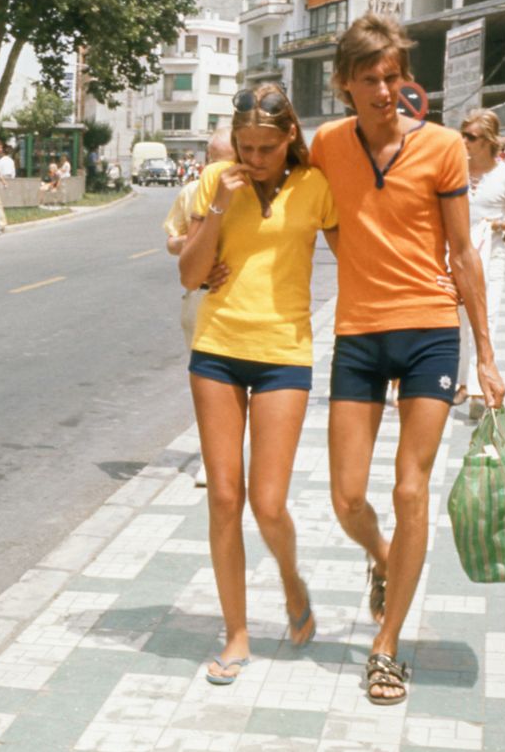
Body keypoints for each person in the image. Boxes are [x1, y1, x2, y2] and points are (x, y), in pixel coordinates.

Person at [310, 14, 505, 706]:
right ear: (344, 84)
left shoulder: (444, 147)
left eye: (393, 76)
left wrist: (486, 355)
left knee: (409, 490)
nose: (385, 91)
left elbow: (463, 253)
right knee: (346, 496)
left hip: (429, 330)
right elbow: (295, 202)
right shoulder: (327, 145)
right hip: (359, 334)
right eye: (370, 79)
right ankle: (387, 560)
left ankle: (386, 646)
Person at [179, 83, 336, 686]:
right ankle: (236, 633)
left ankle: (292, 581)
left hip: (283, 354)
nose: (254, 158)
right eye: (245, 147)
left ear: (290, 136)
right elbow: (190, 276)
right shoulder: (215, 181)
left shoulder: (316, 186)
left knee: (268, 504)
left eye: (266, 148)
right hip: (217, 349)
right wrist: (219, 205)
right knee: (224, 498)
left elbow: (354, 258)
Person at [454, 109, 505, 408]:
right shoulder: (455, 170)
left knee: (486, 320)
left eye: (470, 137)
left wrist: (496, 225)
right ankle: (461, 383)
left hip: (490, 259)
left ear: (487, 140)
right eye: (462, 135)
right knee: (458, 321)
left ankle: (477, 389)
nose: (464, 141)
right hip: (455, 257)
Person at [163, 127, 236, 350]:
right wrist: (194, 243)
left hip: (240, 296)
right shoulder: (190, 192)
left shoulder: (251, 193)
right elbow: (171, 243)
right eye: (214, 162)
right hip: (200, 294)